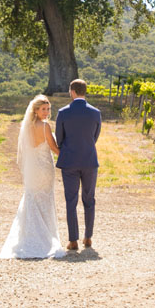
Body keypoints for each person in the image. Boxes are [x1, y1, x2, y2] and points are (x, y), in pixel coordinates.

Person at [0, 95, 66, 259]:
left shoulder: (26, 127)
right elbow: (54, 149)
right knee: (45, 200)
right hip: (44, 169)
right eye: (43, 109)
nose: (46, 112)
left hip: (32, 169)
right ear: (35, 110)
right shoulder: (45, 127)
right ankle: (45, 239)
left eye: (48, 109)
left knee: (31, 199)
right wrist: (69, 155)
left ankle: (28, 237)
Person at [55, 78, 101, 251]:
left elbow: (59, 137)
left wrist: (66, 148)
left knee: (71, 200)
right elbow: (95, 137)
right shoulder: (95, 112)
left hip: (69, 162)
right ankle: (88, 237)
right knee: (89, 199)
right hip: (89, 160)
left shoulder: (63, 112)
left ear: (72, 92)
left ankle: (73, 240)